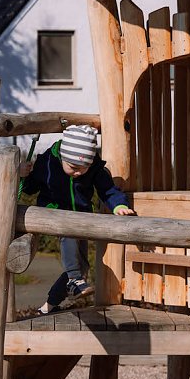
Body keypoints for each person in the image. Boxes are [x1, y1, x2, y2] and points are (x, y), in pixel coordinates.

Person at [20, 124, 135, 314]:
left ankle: (48, 307)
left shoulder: (93, 168)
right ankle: (74, 279)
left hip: (80, 217)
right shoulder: (48, 162)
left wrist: (119, 205)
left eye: (84, 168)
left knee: (82, 267)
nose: (78, 173)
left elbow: (107, 189)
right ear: (63, 157)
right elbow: (30, 188)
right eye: (73, 167)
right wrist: (22, 175)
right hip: (53, 212)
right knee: (71, 240)